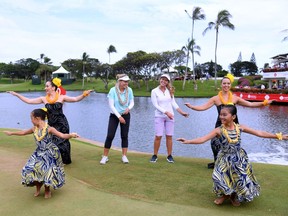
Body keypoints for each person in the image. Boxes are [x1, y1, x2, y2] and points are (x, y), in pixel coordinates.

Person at [177, 104, 287, 206]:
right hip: (224, 157)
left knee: (237, 178)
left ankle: (232, 196)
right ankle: (225, 195)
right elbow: (202, 139)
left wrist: (278, 136)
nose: (221, 117)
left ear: (233, 116)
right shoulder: (219, 130)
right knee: (218, 177)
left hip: (238, 157)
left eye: (224, 115)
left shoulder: (240, 127)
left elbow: (260, 133)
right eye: (220, 114)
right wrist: (188, 141)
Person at [184, 73, 273, 169]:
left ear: (230, 85)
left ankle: (233, 163)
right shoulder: (216, 98)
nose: (226, 85)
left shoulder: (235, 98)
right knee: (214, 143)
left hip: (233, 125)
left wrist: (264, 103)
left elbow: (250, 104)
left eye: (228, 83)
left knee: (232, 144)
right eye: (224, 83)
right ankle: (218, 162)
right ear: (221, 85)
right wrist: (192, 107)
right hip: (220, 124)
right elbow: (203, 107)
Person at [7, 78, 93, 165]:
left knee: (63, 140)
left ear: (53, 87)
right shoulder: (44, 99)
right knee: (53, 142)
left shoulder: (61, 97)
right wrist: (16, 94)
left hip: (62, 123)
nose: (45, 88)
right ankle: (55, 160)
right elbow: (29, 101)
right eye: (45, 86)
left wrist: (84, 94)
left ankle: (65, 160)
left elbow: (75, 99)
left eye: (47, 86)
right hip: (52, 123)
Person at [3, 108, 79, 199]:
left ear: (37, 118)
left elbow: (62, 135)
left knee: (46, 171)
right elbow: (23, 132)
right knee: (29, 169)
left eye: (31, 118)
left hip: (49, 152)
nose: (31, 120)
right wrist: (11, 133)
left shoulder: (49, 129)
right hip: (39, 152)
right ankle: (38, 186)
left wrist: (71, 135)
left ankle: (47, 189)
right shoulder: (34, 128)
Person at [150, 74, 189, 163]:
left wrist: (182, 112)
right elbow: (156, 105)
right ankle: (155, 155)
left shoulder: (169, 91)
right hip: (159, 116)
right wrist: (166, 112)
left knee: (169, 136)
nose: (163, 81)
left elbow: (173, 103)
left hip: (170, 117)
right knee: (158, 136)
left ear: (168, 82)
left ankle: (169, 155)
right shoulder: (154, 91)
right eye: (162, 79)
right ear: (160, 80)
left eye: (166, 80)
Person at [100, 74, 134, 165]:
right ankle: (105, 156)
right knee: (110, 135)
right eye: (124, 81)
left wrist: (129, 108)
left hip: (126, 114)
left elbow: (132, 101)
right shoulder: (113, 90)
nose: (126, 83)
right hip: (114, 115)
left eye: (127, 82)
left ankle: (124, 156)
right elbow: (111, 105)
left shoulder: (129, 90)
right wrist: (119, 117)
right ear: (119, 81)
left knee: (124, 136)